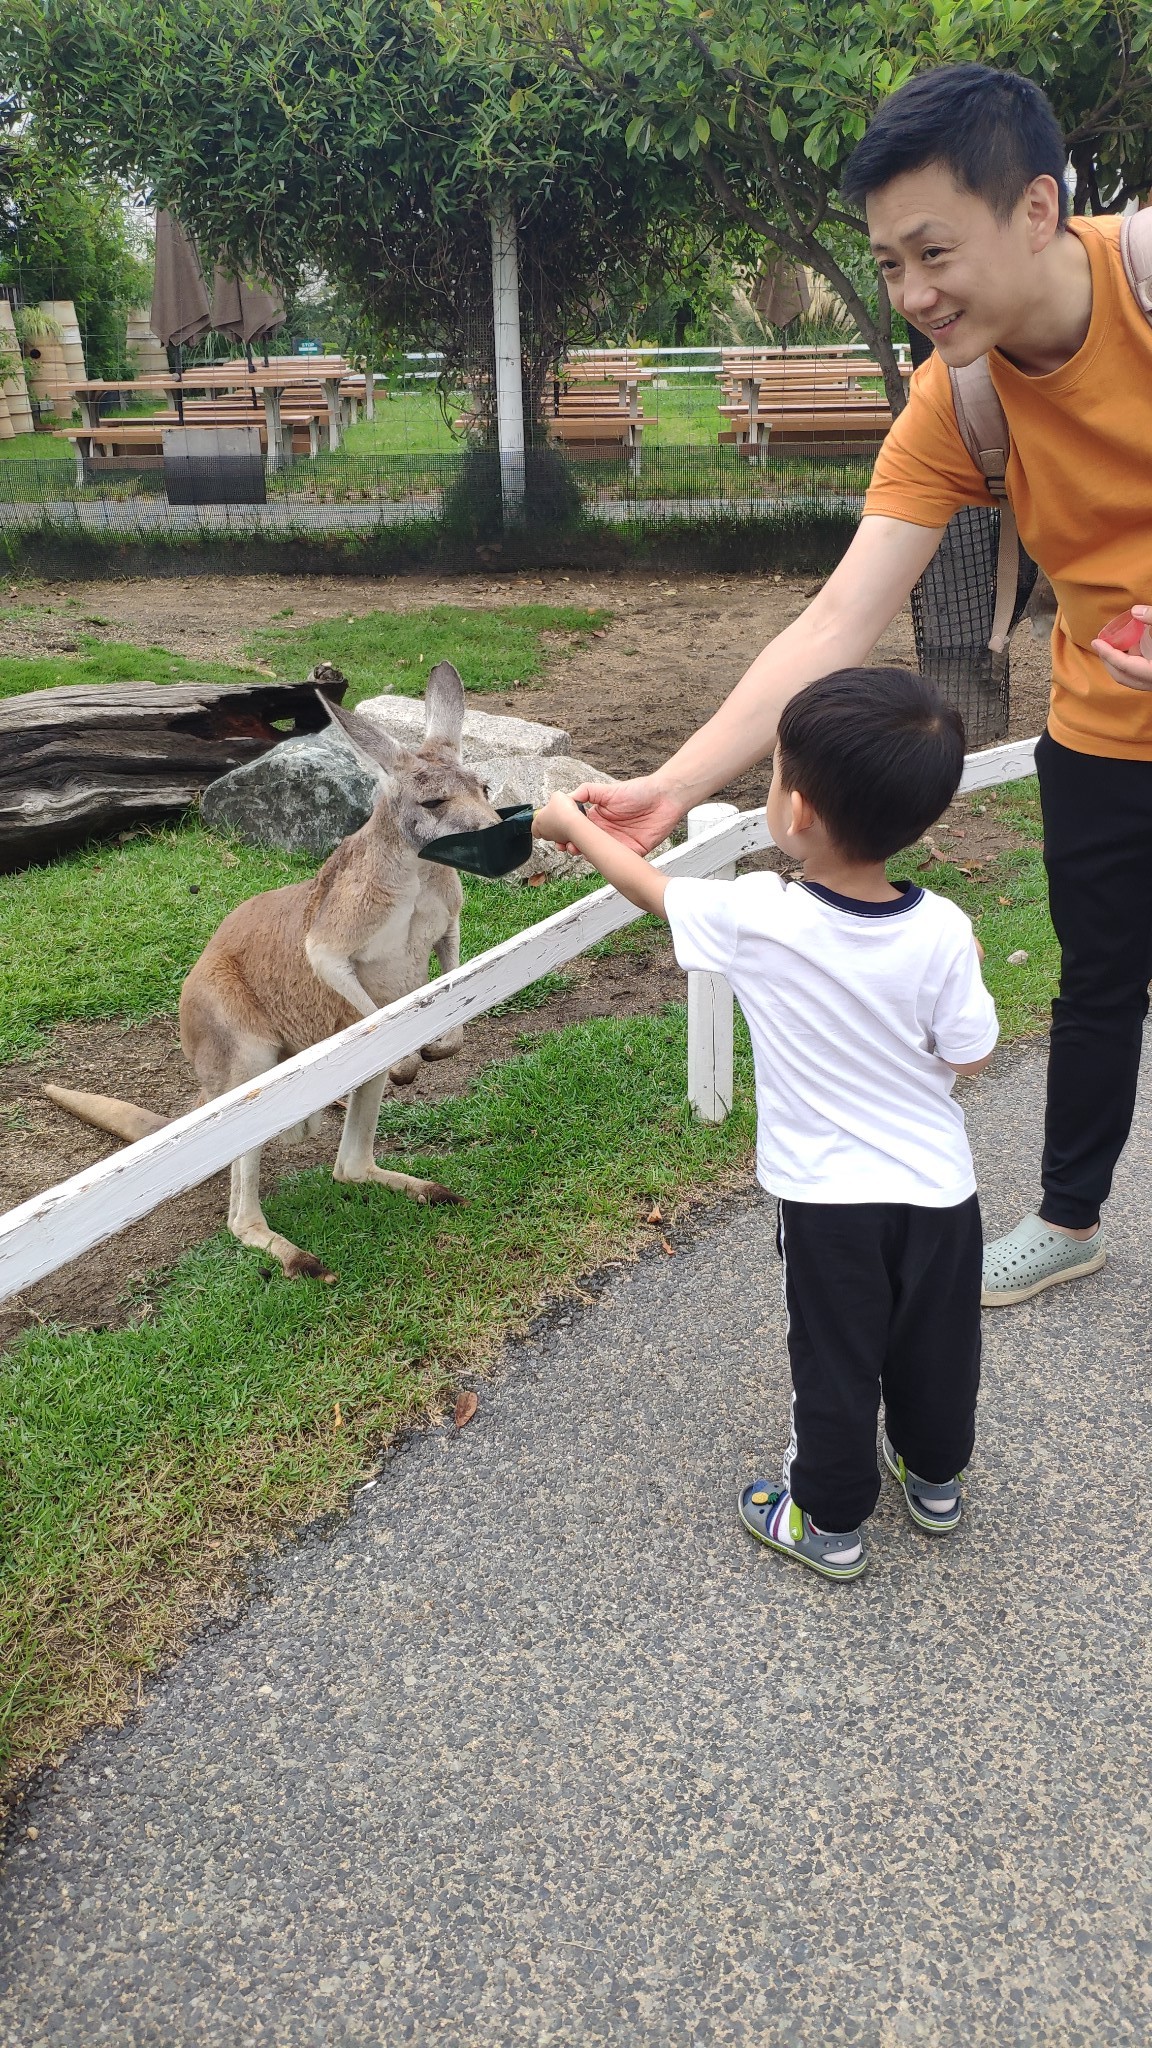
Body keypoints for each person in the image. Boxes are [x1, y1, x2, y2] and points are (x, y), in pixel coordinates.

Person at [571, 63, 1152, 1309]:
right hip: (1104, 729)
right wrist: (676, 785)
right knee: (1103, 978)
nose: (913, 294)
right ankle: (1068, 1214)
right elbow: (838, 614)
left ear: (1039, 209)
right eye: (890, 263)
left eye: (932, 251)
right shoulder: (960, 397)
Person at [534, 667, 999, 1579]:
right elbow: (971, 1055)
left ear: (799, 813)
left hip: (829, 1204)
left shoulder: (757, 916)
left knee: (835, 1362)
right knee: (936, 1346)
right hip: (942, 1195)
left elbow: (650, 887)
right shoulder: (944, 925)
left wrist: (571, 825)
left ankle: (826, 1522)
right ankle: (936, 1480)